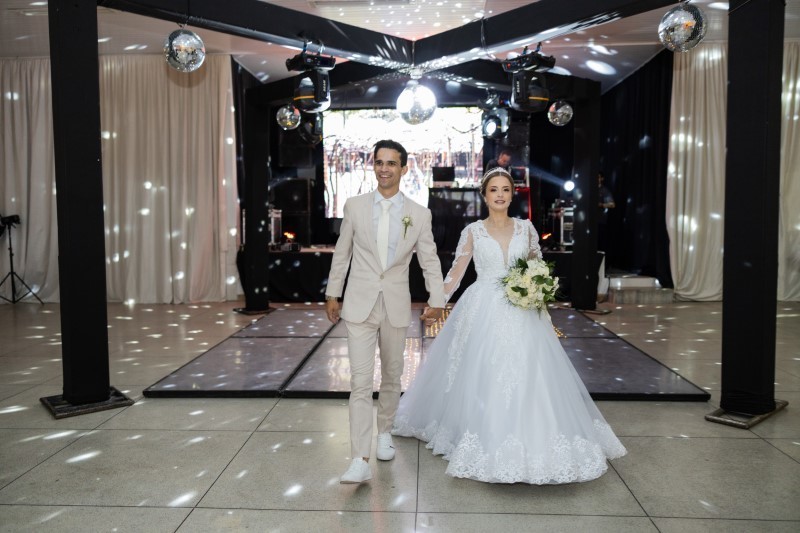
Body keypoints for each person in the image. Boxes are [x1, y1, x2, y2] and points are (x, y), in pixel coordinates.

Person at [392, 167, 627, 484]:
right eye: (494, 190)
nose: (500, 194)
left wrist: (539, 289)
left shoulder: (526, 229)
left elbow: (538, 267)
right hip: (483, 307)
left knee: (531, 369)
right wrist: (437, 301)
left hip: (522, 306)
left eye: (505, 189)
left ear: (513, 195)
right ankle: (483, 428)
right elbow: (456, 273)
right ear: (484, 195)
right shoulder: (473, 231)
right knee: (484, 369)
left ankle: (535, 429)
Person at [325, 139, 446, 484]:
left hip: (395, 304)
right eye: (379, 162)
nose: (384, 169)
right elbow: (342, 253)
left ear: (403, 169)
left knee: (392, 375)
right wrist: (333, 292)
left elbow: (429, 259)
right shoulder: (355, 206)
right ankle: (359, 458)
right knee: (360, 382)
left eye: (391, 163)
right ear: (373, 166)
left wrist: (437, 299)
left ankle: (384, 433)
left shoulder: (419, 214)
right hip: (359, 303)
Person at [597, 171, 616, 252]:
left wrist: (601, 205)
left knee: (600, 245)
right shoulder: (589, 189)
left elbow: (612, 204)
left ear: (602, 179)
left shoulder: (604, 190)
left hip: (600, 222)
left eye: (598, 177)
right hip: (589, 222)